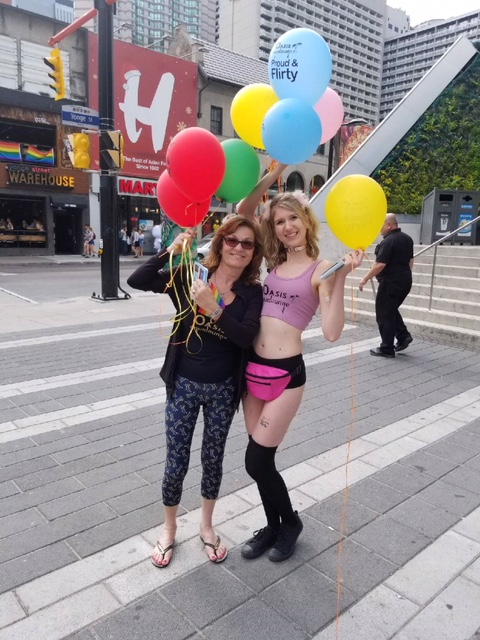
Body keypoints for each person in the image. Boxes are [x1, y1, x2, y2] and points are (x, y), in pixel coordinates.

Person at [236, 181, 363, 563]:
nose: (287, 226)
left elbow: (332, 332)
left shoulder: (322, 270)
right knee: (262, 462)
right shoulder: (272, 265)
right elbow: (242, 212)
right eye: (279, 221)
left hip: (286, 375)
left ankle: (290, 524)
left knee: (256, 460)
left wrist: (341, 278)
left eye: (293, 218)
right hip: (251, 372)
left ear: (307, 220)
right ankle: (272, 527)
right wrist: (272, 174)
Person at [127, 216, 264, 568]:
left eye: (247, 244)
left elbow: (245, 337)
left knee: (212, 460)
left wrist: (213, 306)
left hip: (223, 389)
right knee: (176, 462)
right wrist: (168, 253)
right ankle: (169, 528)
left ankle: (206, 525)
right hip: (184, 384)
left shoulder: (252, 292)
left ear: (254, 252)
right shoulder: (191, 275)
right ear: (220, 243)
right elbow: (137, 280)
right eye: (231, 240)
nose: (238, 248)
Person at [359, 212, 414, 358]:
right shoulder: (407, 238)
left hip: (390, 283)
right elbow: (410, 261)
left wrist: (365, 279)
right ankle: (403, 336)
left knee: (384, 314)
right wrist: (404, 275)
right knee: (390, 310)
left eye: (380, 224)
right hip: (405, 281)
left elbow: (380, 264)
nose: (378, 228)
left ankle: (386, 348)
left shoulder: (389, 241)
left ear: (389, 225)